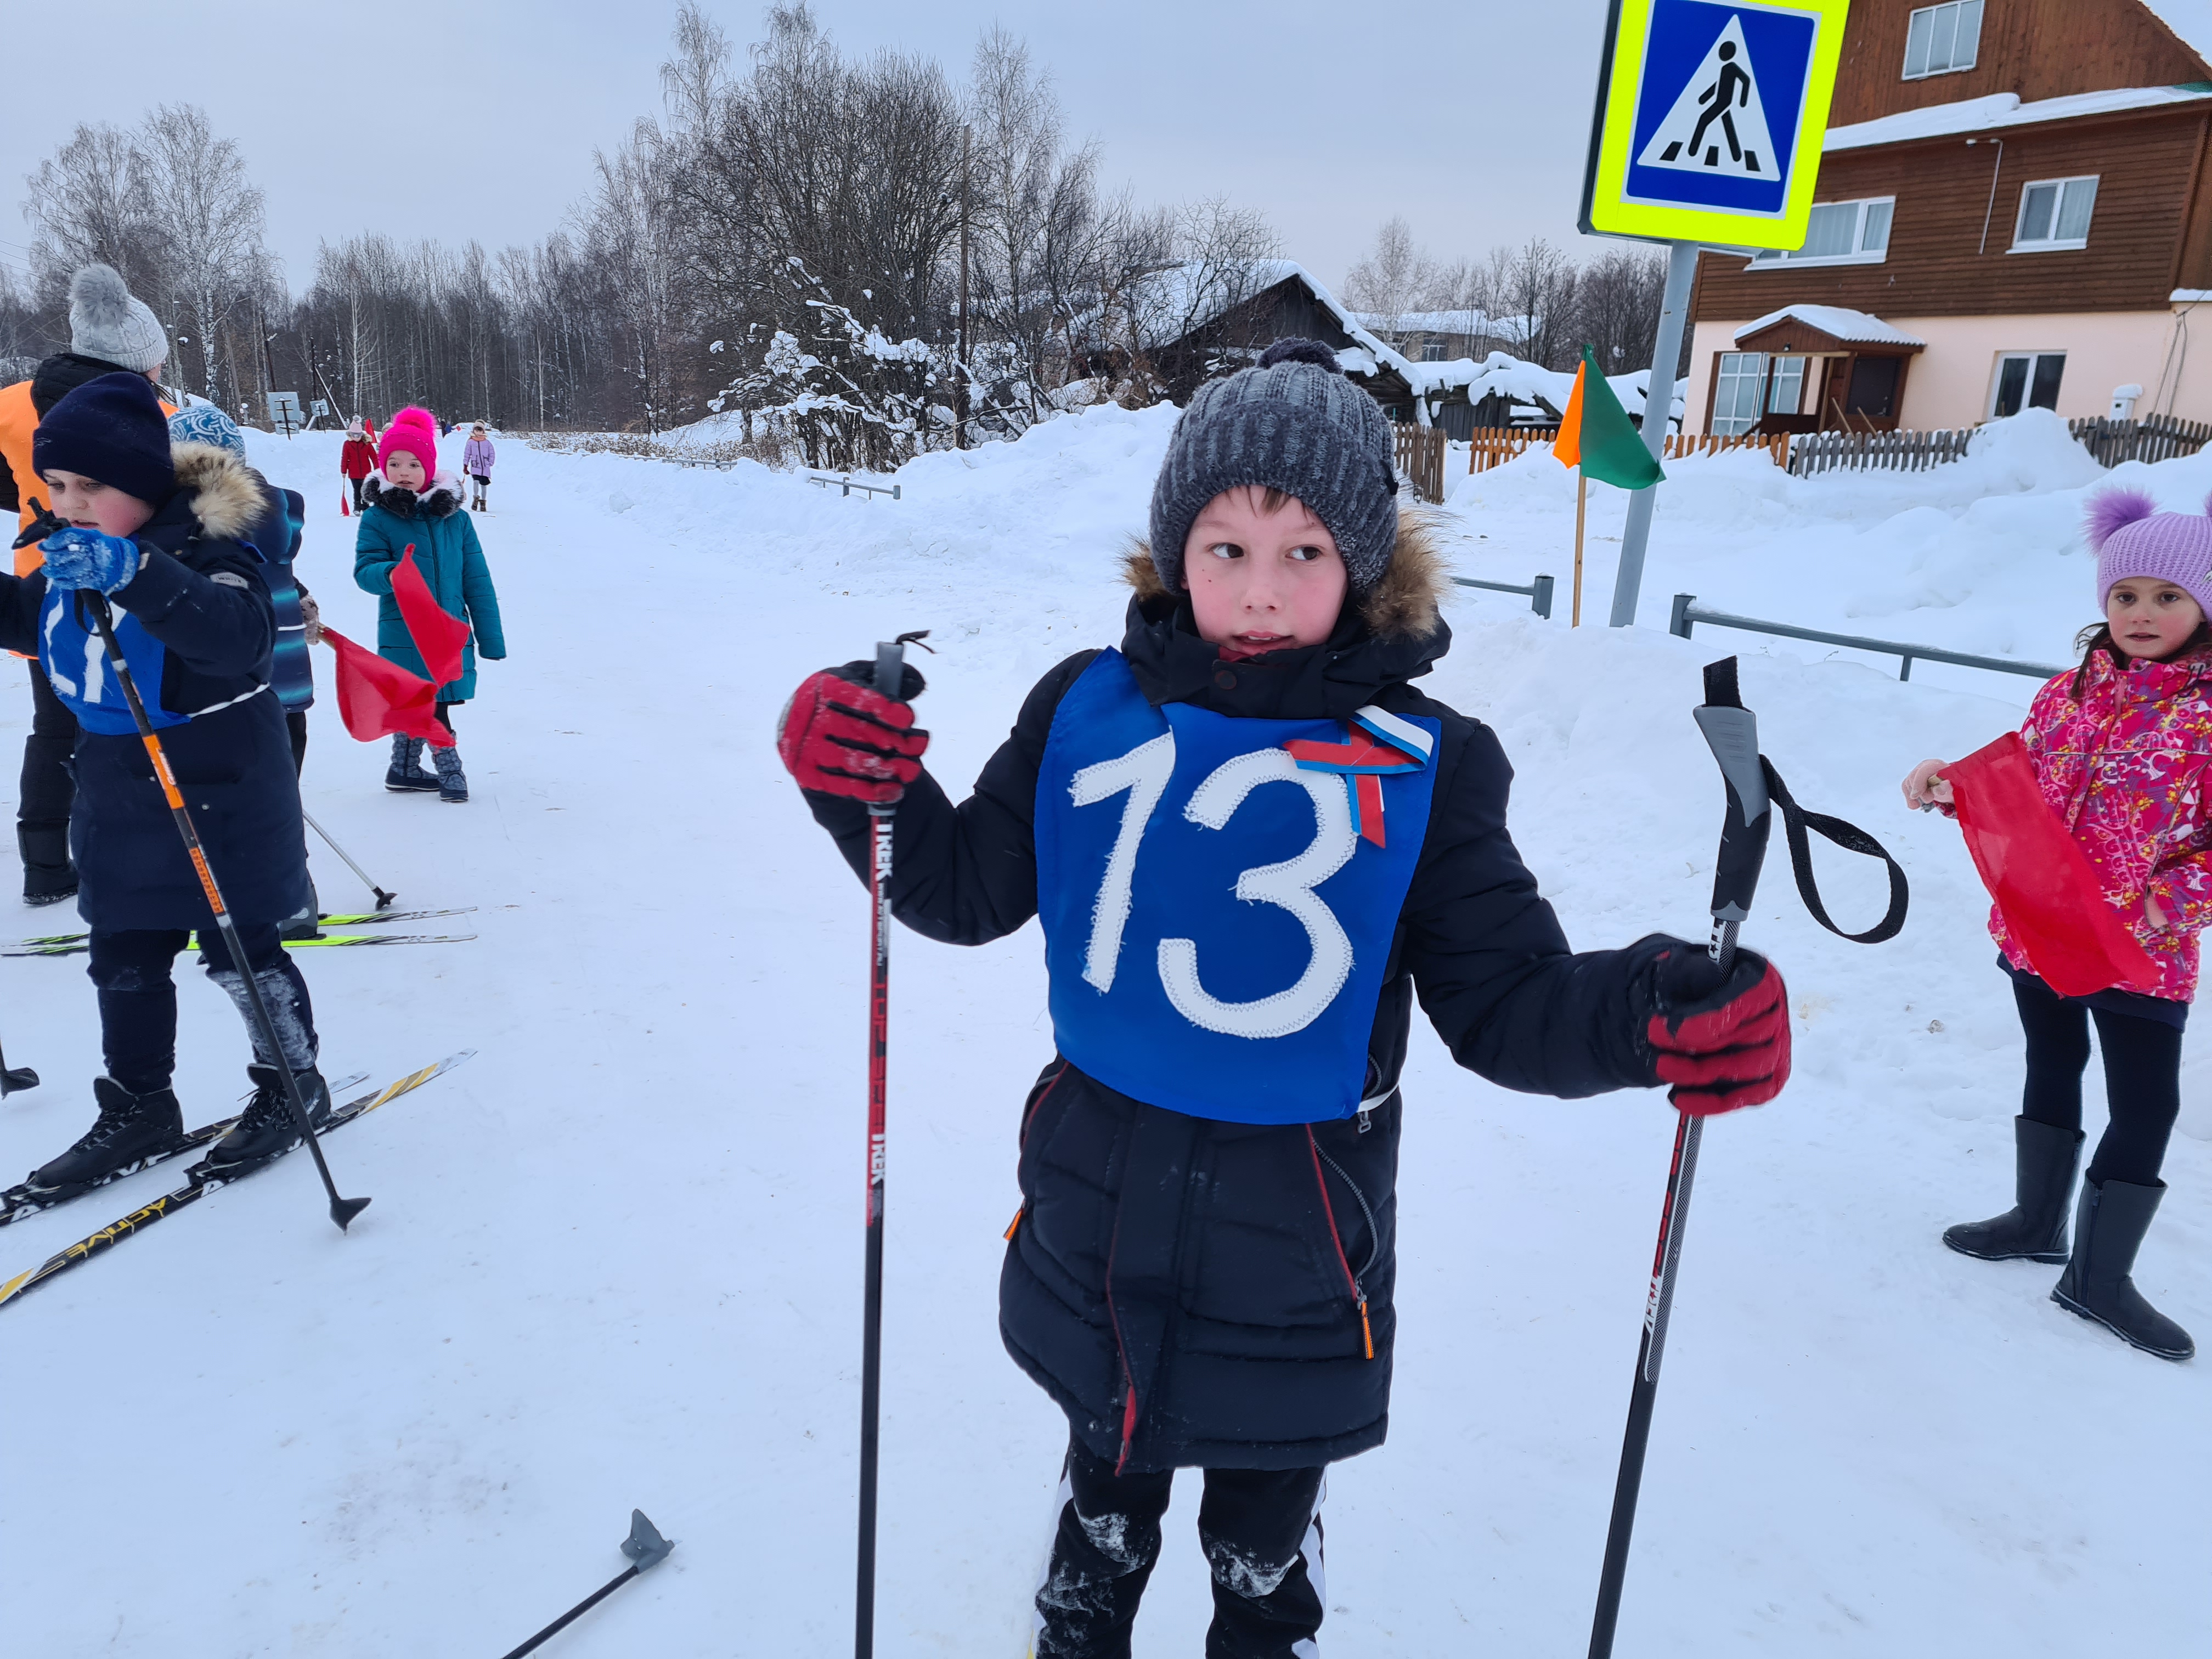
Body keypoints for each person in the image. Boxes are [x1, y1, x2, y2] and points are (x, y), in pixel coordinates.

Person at [775, 340, 1792, 1658]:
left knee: (1261, 1534)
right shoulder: (1084, 708)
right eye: (1227, 547)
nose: (1261, 590)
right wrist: (862, 788)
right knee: (1105, 1490)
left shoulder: (1428, 764)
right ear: (1173, 553)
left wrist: (1652, 1011)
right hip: (1096, 1212)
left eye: (1305, 551)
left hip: (1299, 1245)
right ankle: (1083, 1611)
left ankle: (1264, 1608)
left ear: (1364, 566)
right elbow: (959, 890)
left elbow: (1507, 1002)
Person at [0, 372, 330, 1193]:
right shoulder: (72, 557)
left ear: (145, 483)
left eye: (90, 485)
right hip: (117, 788)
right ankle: (140, 1104)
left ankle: (291, 1084)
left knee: (240, 951)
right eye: (56, 485)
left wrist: (134, 573)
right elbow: (28, 621)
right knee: (121, 953)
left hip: (219, 789)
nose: (69, 503)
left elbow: (237, 638)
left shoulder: (212, 548)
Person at [1906, 488, 2209, 1363]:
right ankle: (2038, 1222)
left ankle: (2099, 1279)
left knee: (2147, 1104)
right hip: (2042, 929)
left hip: (2141, 950)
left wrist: (2160, 908)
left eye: (2168, 597)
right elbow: (2024, 790)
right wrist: (1952, 784)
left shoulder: (2206, 716)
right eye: (2125, 595)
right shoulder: (2066, 694)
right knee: (2052, 1060)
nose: (2142, 613)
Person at [0, 264, 173, 905]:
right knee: (141, 719)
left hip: (44, 590)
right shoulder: (156, 415)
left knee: (56, 724)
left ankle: (45, 862)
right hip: (143, 587)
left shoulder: (12, 404)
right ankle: (149, 849)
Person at [169, 402, 323, 938]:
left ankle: (242, 899)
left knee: (225, 797)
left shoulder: (190, 517)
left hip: (230, 684)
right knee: (279, 794)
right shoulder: (282, 506)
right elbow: (277, 562)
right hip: (286, 675)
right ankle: (291, 898)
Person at [354, 405, 505, 803]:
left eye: (413, 464)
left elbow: (477, 581)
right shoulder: (378, 519)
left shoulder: (456, 520)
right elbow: (364, 572)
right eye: (394, 463)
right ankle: (450, 769)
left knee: (424, 700)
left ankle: (403, 768)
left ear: (430, 466)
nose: (403, 472)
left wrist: (490, 638)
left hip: (450, 630)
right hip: (405, 632)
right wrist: (391, 573)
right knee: (429, 701)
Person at [340, 416, 379, 512]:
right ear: (350, 434)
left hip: (366, 472)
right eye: (354, 435)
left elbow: (374, 457)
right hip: (354, 473)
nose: (356, 437)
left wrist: (377, 468)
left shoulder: (367, 444)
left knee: (365, 489)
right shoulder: (347, 444)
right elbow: (345, 458)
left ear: (361, 434)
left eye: (358, 435)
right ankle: (357, 507)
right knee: (357, 490)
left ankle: (365, 506)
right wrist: (344, 471)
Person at [463, 422, 495, 512]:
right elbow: (467, 454)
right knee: (476, 482)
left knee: (484, 485)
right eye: (476, 430)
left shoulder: (487, 443)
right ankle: (476, 498)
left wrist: (489, 463)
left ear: (483, 431)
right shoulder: (470, 442)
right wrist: (465, 465)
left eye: (480, 430)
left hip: (485, 467)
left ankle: (483, 502)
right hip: (476, 466)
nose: (478, 431)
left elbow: (492, 454)